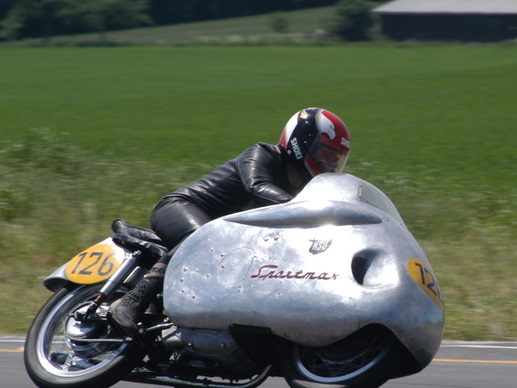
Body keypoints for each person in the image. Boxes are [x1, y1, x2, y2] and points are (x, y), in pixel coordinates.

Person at [109, 107, 351, 337]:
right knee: (202, 240)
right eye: (327, 155)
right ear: (302, 144)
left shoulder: (303, 189)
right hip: (181, 207)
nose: (331, 165)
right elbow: (256, 186)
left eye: (337, 159)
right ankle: (130, 302)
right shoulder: (264, 154)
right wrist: (304, 207)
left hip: (222, 235)